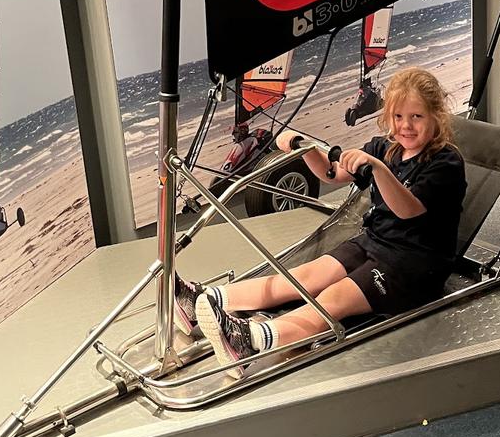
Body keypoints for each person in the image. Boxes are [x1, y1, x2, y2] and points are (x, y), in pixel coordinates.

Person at [174, 67, 467, 378]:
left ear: (436, 116)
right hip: (373, 242)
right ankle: (205, 301)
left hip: (414, 266)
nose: (406, 126)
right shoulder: (385, 148)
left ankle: (252, 342)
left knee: (335, 297)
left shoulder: (446, 162)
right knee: (305, 276)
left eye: (416, 117)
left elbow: (407, 209)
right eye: (398, 117)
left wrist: (378, 170)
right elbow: (333, 173)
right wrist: (305, 150)